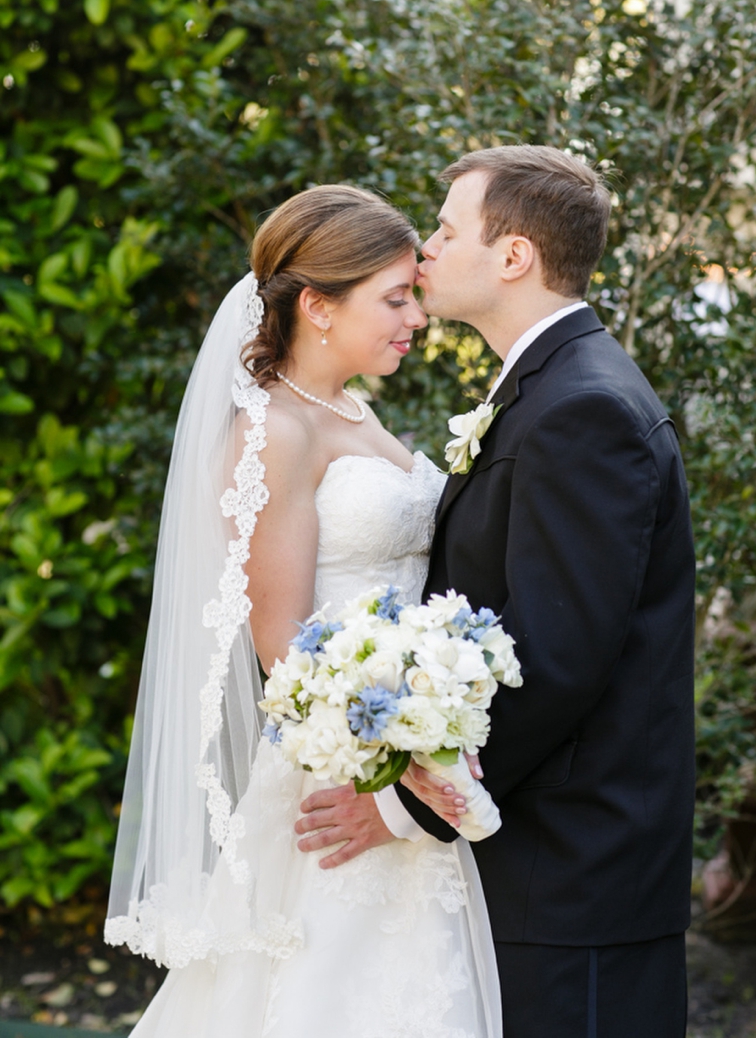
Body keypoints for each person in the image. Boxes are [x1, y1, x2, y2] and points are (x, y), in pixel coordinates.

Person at [303, 147, 696, 1037]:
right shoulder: (547, 389)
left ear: (513, 256)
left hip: (573, 879)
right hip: (532, 871)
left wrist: (400, 804)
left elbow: (555, 659)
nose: (426, 250)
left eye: (446, 230)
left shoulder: (583, 411)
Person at [105, 184, 502, 1037]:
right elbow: (279, 641)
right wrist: (393, 758)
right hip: (343, 778)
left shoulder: (353, 410)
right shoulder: (272, 432)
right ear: (318, 305)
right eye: (395, 299)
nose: (417, 319)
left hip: (404, 759)